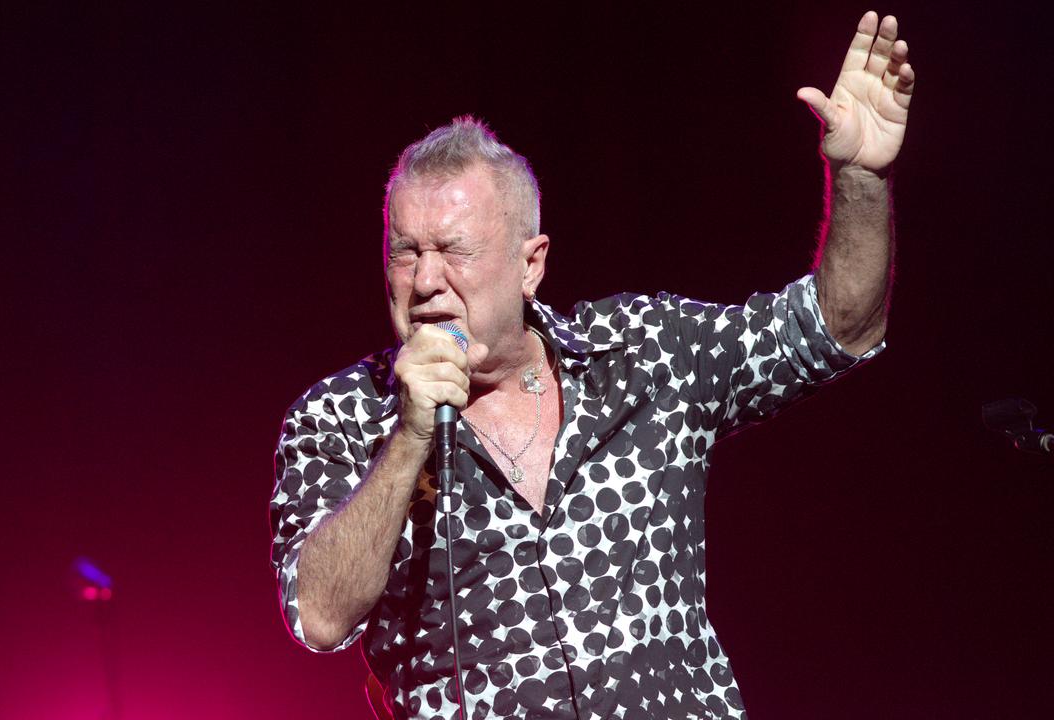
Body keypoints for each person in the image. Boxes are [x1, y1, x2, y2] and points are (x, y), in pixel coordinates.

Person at [270, 11, 914, 720]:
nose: (424, 280)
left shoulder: (644, 354)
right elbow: (320, 619)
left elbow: (838, 326)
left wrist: (859, 173)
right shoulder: (344, 416)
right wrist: (407, 444)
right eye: (404, 252)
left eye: (453, 250)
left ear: (530, 264)